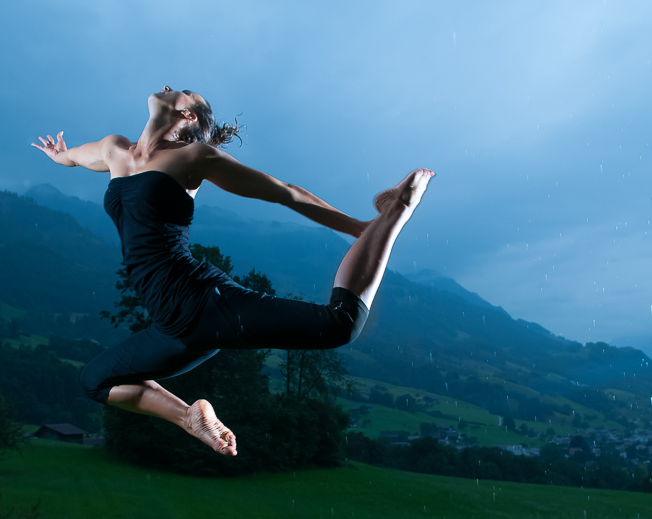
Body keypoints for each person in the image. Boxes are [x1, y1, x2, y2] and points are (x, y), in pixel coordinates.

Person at [34, 86, 433, 457]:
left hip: (204, 302)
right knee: (94, 382)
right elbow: (75, 158)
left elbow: (286, 192)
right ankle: (191, 417)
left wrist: (363, 229)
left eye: (182, 89)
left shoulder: (193, 159)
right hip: (170, 328)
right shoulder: (113, 150)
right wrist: (60, 155)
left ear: (187, 114)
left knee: (339, 325)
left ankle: (395, 213)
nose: (169, 86)